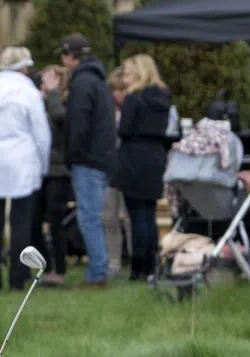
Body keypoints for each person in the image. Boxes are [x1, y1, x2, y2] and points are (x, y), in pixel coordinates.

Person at [0, 47, 50, 291]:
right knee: (20, 223)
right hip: (21, 161)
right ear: (24, 67)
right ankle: (18, 278)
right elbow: (41, 135)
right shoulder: (29, 93)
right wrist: (43, 165)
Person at [59, 33, 117, 288]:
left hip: (88, 160)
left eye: (63, 55)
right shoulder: (98, 80)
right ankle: (99, 268)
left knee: (88, 217)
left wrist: (73, 156)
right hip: (101, 158)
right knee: (93, 215)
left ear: (71, 55)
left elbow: (79, 124)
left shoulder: (82, 83)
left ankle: (97, 272)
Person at [113, 55, 172, 281]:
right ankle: (152, 264)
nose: (124, 77)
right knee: (149, 214)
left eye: (127, 73)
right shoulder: (163, 97)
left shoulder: (134, 98)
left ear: (139, 74)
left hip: (134, 157)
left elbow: (124, 130)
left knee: (137, 215)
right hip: (155, 155)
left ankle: (139, 268)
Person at [36, 65, 70, 286]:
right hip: (38, 169)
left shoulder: (63, 102)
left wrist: (52, 94)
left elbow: (60, 119)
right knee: (34, 221)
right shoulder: (39, 100)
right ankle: (43, 265)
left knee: (56, 221)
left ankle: (59, 268)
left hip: (58, 169)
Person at [101, 67, 131, 280]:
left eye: (122, 90)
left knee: (129, 218)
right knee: (109, 217)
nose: (117, 94)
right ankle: (113, 262)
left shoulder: (134, 110)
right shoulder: (107, 113)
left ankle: (134, 257)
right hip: (109, 170)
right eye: (114, 90)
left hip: (128, 169)